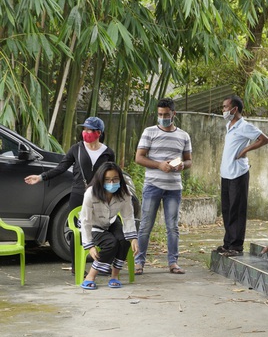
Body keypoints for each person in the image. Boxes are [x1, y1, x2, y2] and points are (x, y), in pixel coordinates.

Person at [24, 116, 115, 275]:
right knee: (77, 231)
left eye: (89, 130)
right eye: (84, 129)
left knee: (102, 230)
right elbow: (61, 168)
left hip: (100, 197)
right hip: (79, 195)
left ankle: (101, 265)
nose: (85, 132)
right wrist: (41, 177)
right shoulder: (76, 149)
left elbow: (112, 175)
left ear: (99, 132)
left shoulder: (107, 152)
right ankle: (76, 266)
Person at [134, 98, 192, 275]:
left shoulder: (183, 136)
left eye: (166, 114)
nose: (163, 117)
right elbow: (139, 158)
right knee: (145, 226)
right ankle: (139, 262)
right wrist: (159, 165)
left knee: (172, 226)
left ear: (174, 114)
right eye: (160, 114)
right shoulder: (149, 132)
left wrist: (182, 165)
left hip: (174, 187)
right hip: (152, 185)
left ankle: (173, 262)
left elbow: (189, 160)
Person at [216, 95, 268, 257]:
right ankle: (228, 243)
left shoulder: (244, 126)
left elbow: (264, 139)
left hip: (238, 173)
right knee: (227, 209)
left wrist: (245, 150)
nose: (224, 110)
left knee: (237, 209)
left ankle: (236, 246)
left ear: (235, 109)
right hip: (226, 172)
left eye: (226, 107)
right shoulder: (229, 126)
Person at [79, 162, 138, 290]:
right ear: (100, 180)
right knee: (111, 243)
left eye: (115, 179)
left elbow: (128, 216)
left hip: (111, 221)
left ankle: (114, 276)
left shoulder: (124, 192)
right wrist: (90, 246)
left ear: (120, 179)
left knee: (124, 241)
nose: (112, 183)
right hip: (93, 224)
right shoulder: (91, 193)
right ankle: (90, 276)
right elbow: (85, 221)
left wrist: (133, 238)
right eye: (107, 180)